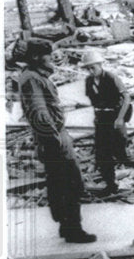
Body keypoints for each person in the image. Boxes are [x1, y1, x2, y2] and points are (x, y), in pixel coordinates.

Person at [18, 39, 96, 243]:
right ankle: (72, 229)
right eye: (49, 56)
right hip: (52, 137)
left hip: (55, 135)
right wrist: (54, 140)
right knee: (69, 182)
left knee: (61, 182)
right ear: (36, 57)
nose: (53, 59)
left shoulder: (36, 76)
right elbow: (40, 113)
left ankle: (66, 225)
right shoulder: (32, 79)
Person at [82, 48, 134, 195]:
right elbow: (94, 101)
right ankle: (111, 185)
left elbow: (126, 98)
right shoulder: (88, 81)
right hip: (101, 121)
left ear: (100, 65)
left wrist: (120, 118)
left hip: (115, 119)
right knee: (102, 156)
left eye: (93, 67)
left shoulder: (112, 78)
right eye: (88, 68)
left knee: (122, 155)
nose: (90, 71)